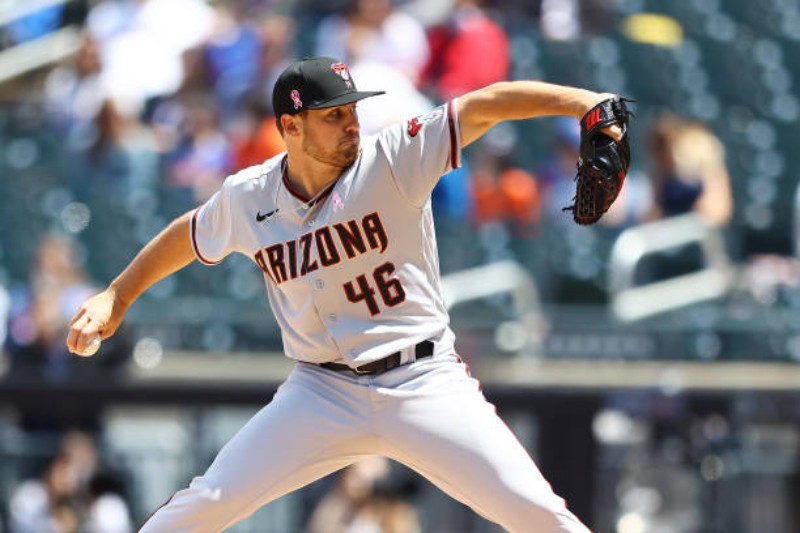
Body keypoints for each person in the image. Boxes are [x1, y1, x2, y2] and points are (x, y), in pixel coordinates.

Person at [67, 56, 623, 532]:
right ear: (291, 127)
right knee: (207, 502)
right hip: (320, 391)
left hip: (421, 380)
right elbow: (187, 235)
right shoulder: (249, 197)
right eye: (333, 115)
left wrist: (584, 103)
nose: (351, 123)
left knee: (536, 512)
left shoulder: (393, 157)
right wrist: (117, 295)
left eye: (352, 110)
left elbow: (487, 104)